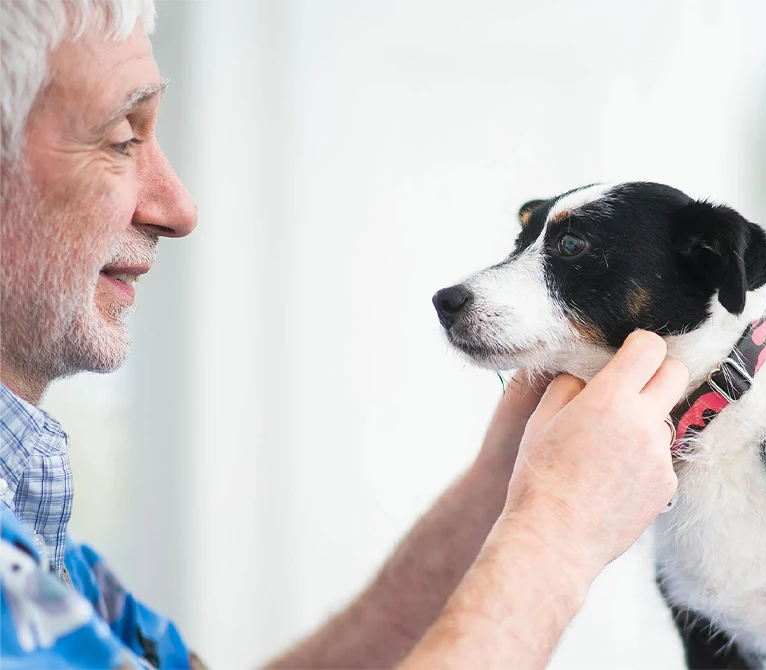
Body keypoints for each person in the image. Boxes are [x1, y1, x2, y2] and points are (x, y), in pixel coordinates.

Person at [0, 1, 688, 668]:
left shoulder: (43, 542)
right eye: (122, 139)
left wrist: (502, 487)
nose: (179, 208)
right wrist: (557, 532)